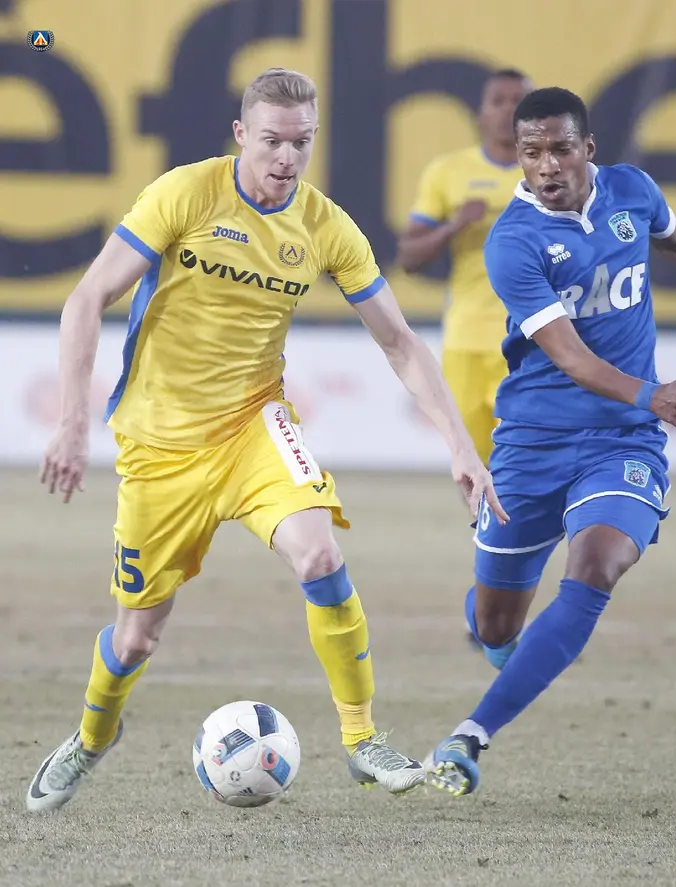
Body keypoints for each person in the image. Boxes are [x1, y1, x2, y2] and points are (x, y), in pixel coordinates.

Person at [26, 67, 506, 813]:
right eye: (273, 141)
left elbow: (401, 342)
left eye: (302, 142)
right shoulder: (187, 192)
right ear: (241, 135)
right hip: (158, 443)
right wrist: (68, 422)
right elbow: (88, 297)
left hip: (256, 424)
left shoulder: (325, 226)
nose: (287, 157)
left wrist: (459, 446)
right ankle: (92, 737)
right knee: (136, 638)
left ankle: (362, 739)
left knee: (320, 555)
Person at [425, 86, 676, 797]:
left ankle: (470, 735)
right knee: (495, 625)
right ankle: (493, 629)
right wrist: (652, 392)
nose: (546, 165)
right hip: (532, 445)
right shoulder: (513, 241)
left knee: (598, 566)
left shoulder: (632, 191)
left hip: (622, 442)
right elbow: (570, 356)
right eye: (530, 152)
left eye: (559, 148)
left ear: (588, 148)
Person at [397, 68, 533, 468]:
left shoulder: (550, 173)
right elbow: (409, 256)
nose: (508, 110)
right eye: (498, 101)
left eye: (518, 101)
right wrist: (454, 226)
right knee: (471, 464)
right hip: (466, 340)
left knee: (525, 460)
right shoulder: (449, 172)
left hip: (533, 338)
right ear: (481, 113)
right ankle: (485, 514)